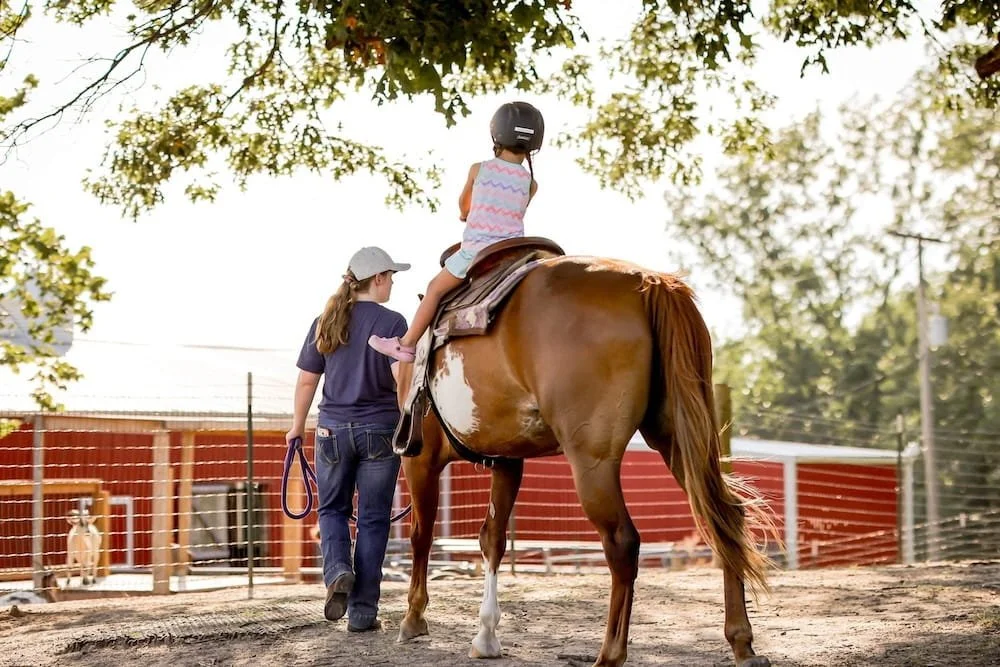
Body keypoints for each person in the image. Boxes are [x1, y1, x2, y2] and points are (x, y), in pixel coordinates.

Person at [285, 245, 410, 632]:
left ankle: (337, 570)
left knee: (332, 511)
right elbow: (400, 381)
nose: (392, 283)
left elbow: (308, 379)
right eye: (390, 276)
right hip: (380, 432)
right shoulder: (393, 322)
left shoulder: (326, 320)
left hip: (331, 431)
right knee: (373, 521)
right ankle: (362, 614)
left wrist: (296, 425)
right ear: (378, 279)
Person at [367, 101, 544, 362]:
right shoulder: (531, 183)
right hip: (512, 254)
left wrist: (467, 214)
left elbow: (464, 206)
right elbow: (517, 211)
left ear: (497, 134)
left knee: (434, 289)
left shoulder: (479, 169)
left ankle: (406, 344)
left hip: (477, 252)